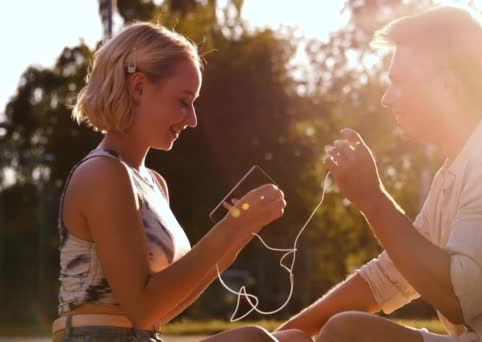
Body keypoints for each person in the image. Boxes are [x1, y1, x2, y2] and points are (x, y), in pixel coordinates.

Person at [277, 6, 482, 342]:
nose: (387, 99)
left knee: (349, 334)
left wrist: (372, 200)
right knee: (304, 338)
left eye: (399, 83)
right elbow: (387, 277)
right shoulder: (460, 170)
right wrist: (282, 336)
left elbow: (458, 297)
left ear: (447, 84)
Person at [53, 21, 309, 342]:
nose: (192, 119)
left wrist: (238, 234)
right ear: (139, 88)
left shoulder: (155, 184)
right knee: (254, 339)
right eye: (183, 101)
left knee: (294, 338)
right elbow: (143, 308)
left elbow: (160, 312)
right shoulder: (103, 173)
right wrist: (229, 229)